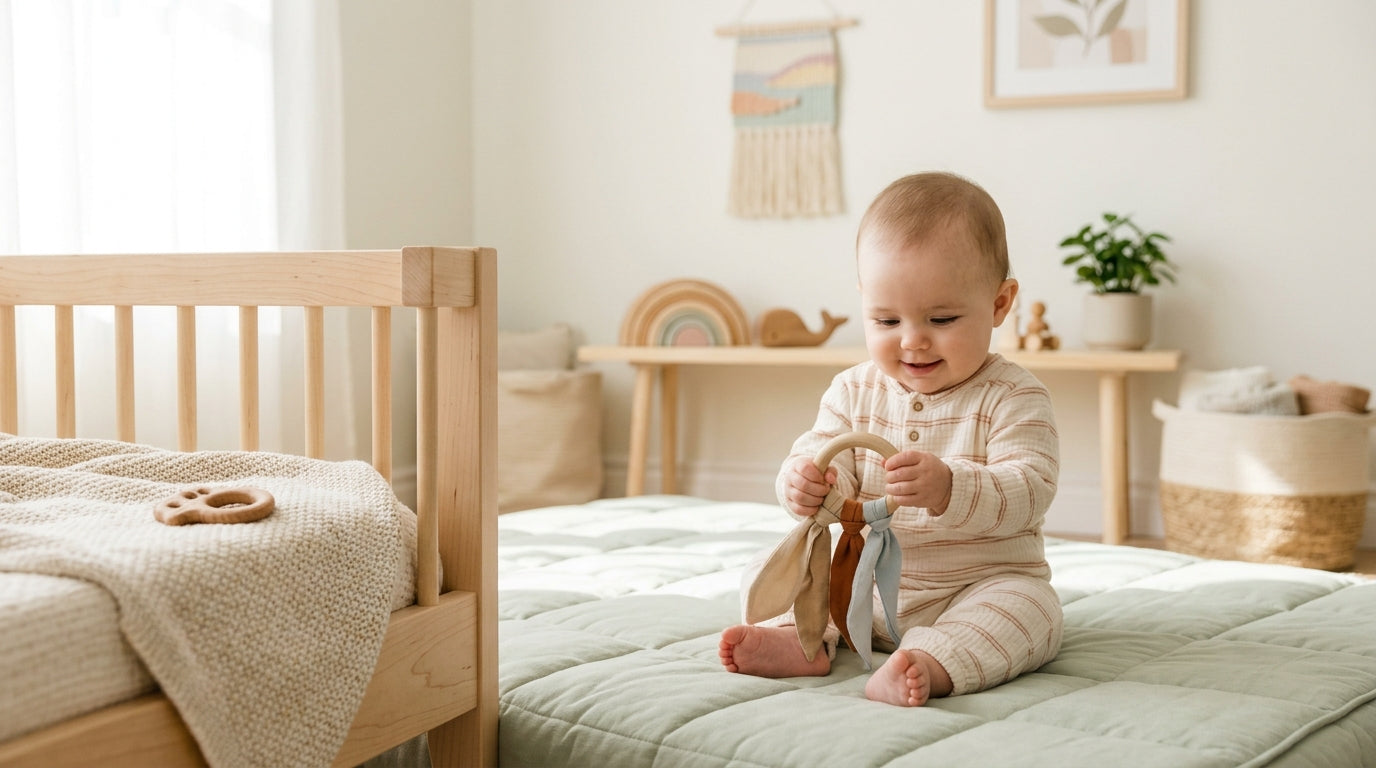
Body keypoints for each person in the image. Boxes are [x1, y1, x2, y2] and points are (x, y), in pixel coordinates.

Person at [719, 171, 1063, 707]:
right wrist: (804, 482)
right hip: (859, 590)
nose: (912, 340)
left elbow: (1030, 489)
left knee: (1033, 611)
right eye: (885, 319)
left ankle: (931, 659)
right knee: (771, 566)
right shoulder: (853, 388)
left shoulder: (1014, 395)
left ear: (1000, 304)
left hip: (974, 589)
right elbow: (823, 451)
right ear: (863, 301)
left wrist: (951, 486)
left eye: (942, 318)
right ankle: (803, 640)